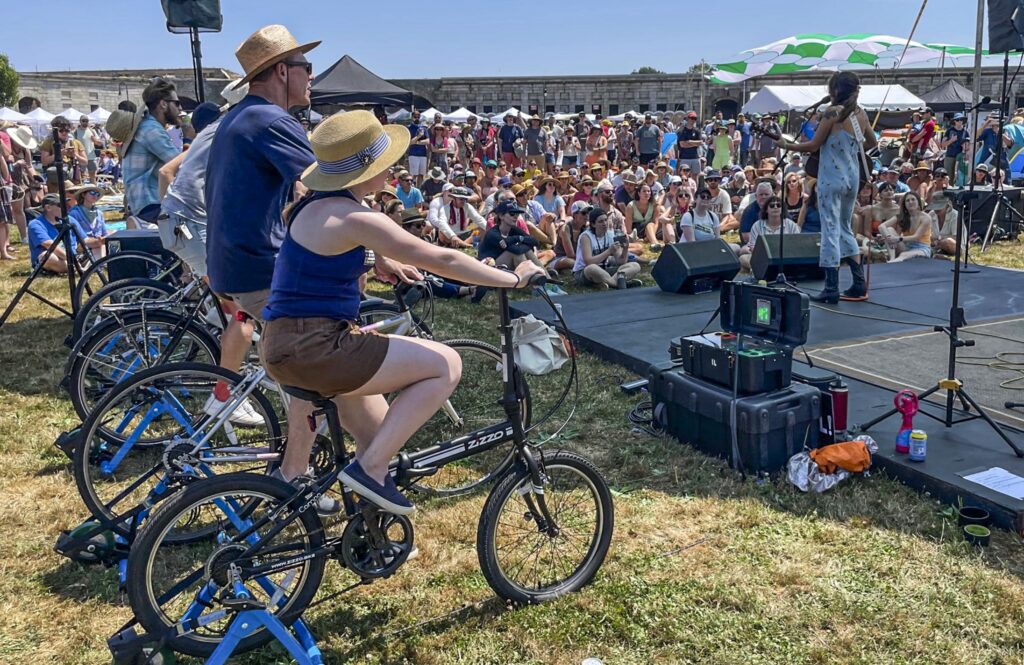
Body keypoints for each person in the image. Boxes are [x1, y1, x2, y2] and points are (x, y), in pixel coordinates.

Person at [260, 111, 543, 515]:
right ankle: (368, 471)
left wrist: (375, 261)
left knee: (379, 435)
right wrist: (513, 279)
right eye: (384, 161)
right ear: (364, 169)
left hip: (285, 343)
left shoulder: (315, 207)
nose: (391, 168)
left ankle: (370, 532)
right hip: (318, 346)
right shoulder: (355, 216)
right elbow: (436, 256)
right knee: (446, 363)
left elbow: (324, 257)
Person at [204, 24, 341, 508]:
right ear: (282, 71)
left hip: (232, 265)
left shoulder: (240, 116)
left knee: (303, 360)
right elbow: (328, 186)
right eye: (305, 67)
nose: (311, 76)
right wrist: (375, 248)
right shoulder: (272, 121)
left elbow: (297, 193)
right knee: (320, 360)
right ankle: (296, 476)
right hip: (258, 268)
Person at [778, 71, 876, 303]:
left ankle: (831, 287)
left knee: (830, 229)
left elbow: (813, 145)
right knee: (844, 227)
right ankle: (858, 284)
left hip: (831, 178)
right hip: (852, 178)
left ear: (835, 90)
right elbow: (872, 142)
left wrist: (786, 145)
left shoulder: (832, 112)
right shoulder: (860, 114)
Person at [121, 78, 183, 225]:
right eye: (177, 103)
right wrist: (190, 139)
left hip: (142, 202)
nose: (180, 109)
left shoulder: (146, 126)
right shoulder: (151, 130)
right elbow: (181, 165)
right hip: (151, 204)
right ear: (163, 104)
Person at [573, 207, 641, 289]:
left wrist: (625, 249)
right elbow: (588, 262)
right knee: (591, 268)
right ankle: (619, 284)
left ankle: (609, 282)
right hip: (584, 272)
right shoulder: (586, 237)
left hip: (604, 270)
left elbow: (621, 261)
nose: (605, 223)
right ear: (593, 224)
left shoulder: (610, 235)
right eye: (601, 221)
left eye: (606, 220)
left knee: (635, 265)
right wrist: (609, 251)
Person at [737, 195, 800, 272]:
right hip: (763, 259)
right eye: (772, 206)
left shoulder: (791, 225)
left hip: (786, 259)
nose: (776, 207)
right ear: (766, 209)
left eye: (779, 205)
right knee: (742, 258)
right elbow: (753, 247)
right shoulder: (757, 225)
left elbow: (797, 246)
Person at [27, 193, 77, 273]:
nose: (66, 208)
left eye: (66, 204)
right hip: (54, 257)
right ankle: (76, 267)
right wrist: (72, 259)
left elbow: (84, 239)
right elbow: (49, 244)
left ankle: (76, 267)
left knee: (99, 247)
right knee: (47, 257)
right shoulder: (35, 224)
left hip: (72, 255)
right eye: (61, 205)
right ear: (48, 208)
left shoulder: (69, 220)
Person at [880, 191, 932, 262]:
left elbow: (916, 237)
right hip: (906, 247)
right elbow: (882, 226)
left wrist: (897, 239)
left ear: (918, 202)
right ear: (905, 204)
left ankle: (892, 262)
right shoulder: (902, 216)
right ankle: (892, 258)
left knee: (903, 255)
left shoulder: (926, 218)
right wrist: (889, 238)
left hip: (922, 249)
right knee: (889, 230)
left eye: (913, 199)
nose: (910, 202)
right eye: (907, 200)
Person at [40, 116, 88, 189]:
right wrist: (59, 154)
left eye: (67, 130)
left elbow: (85, 162)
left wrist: (75, 155)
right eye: (61, 130)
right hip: (55, 183)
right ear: (55, 130)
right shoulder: (48, 142)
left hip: (74, 181)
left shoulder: (76, 142)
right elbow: (44, 162)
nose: (64, 133)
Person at [67, 184, 110, 258]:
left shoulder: (99, 213)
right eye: (92, 192)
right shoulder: (74, 213)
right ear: (83, 195)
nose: (95, 195)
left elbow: (104, 233)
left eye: (97, 194)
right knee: (98, 245)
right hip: (83, 244)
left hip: (99, 242)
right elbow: (74, 237)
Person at [550, 200, 591, 272]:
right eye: (584, 213)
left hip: (579, 258)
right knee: (570, 262)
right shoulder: (566, 228)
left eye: (588, 213)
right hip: (560, 258)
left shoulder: (586, 228)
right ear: (575, 215)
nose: (587, 216)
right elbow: (570, 255)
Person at [625, 182, 662, 248]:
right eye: (644, 191)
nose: (647, 193)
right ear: (639, 193)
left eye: (648, 191)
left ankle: (654, 243)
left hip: (651, 230)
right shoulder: (631, 206)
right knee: (649, 225)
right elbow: (628, 228)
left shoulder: (655, 205)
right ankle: (655, 243)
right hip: (636, 230)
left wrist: (648, 237)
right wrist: (635, 238)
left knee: (651, 224)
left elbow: (656, 223)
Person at [927, 190, 963, 257]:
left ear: (946, 205)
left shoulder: (955, 215)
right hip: (934, 245)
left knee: (947, 242)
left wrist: (938, 240)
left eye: (939, 206)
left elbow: (956, 237)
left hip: (955, 245)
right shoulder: (931, 214)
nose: (936, 209)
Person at [941, 113, 970, 185]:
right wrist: (951, 140)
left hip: (961, 158)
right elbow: (942, 144)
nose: (959, 121)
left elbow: (968, 145)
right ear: (954, 121)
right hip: (950, 156)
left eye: (961, 120)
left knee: (960, 177)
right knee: (948, 176)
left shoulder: (965, 132)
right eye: (957, 120)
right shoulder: (949, 131)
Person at [75, 116, 103, 182]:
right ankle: (83, 191)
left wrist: (95, 140)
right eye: (83, 121)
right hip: (81, 158)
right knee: (81, 177)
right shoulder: (76, 132)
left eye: (86, 121)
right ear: (80, 121)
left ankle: (93, 189)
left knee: (93, 177)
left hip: (91, 157)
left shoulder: (92, 131)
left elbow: (99, 143)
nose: (85, 122)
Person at [406, 110, 429, 186]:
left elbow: (428, 141)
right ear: (412, 117)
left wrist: (416, 142)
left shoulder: (424, 128)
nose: (417, 118)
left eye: (418, 117)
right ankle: (412, 189)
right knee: (413, 175)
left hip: (423, 154)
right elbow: (409, 142)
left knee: (421, 175)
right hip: (413, 154)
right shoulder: (409, 128)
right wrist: (418, 136)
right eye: (415, 117)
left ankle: (419, 189)